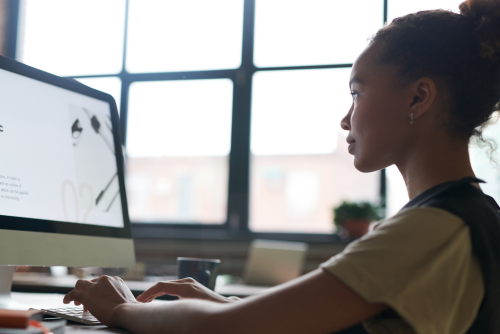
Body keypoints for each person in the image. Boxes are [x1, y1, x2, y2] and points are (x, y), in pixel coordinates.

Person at [63, 0, 500, 333]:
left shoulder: (430, 231)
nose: (346, 119)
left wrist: (123, 309)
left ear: (418, 98)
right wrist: (222, 303)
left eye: (357, 93)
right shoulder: (470, 217)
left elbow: (226, 332)